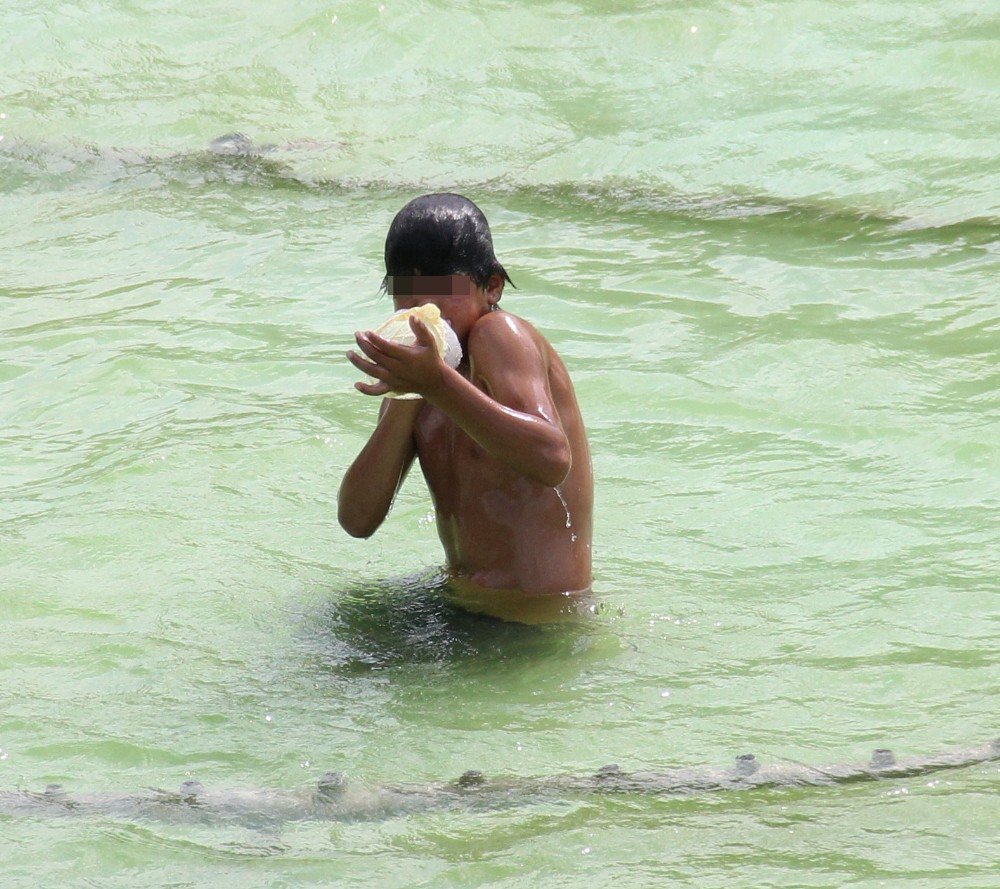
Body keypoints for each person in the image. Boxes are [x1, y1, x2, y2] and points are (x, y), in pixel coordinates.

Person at [338, 194, 593, 622]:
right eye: (407, 296)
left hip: (534, 622)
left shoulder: (499, 334)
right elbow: (357, 520)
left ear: (491, 287)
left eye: (443, 293)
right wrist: (409, 396)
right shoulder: (422, 372)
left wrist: (436, 384)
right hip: (457, 604)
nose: (423, 311)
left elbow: (552, 458)